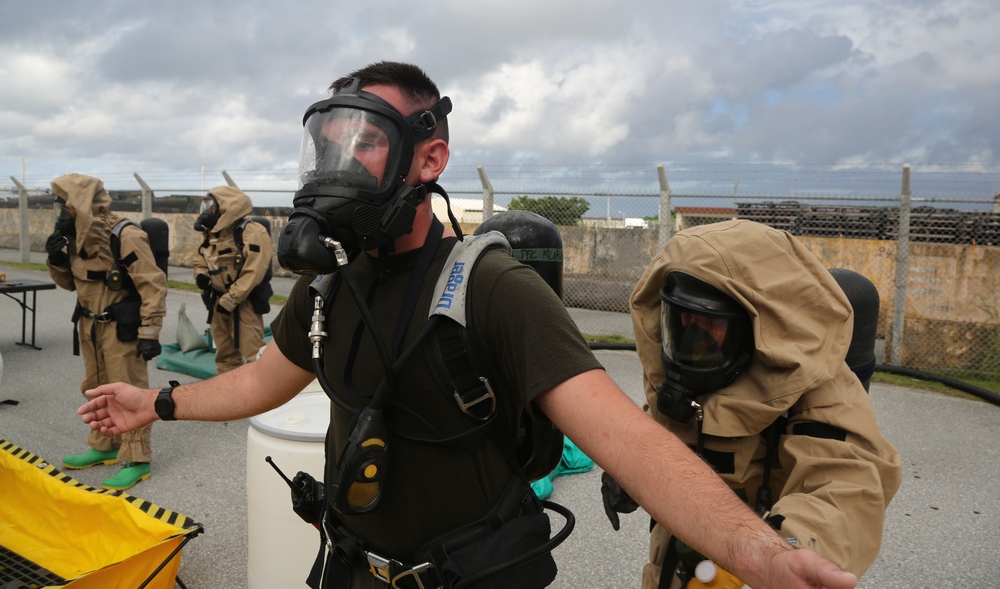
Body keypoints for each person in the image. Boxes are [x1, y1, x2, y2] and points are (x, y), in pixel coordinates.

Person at [79, 61, 858, 589]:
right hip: (350, 566)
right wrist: (157, 404)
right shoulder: (332, 285)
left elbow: (627, 438)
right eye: (330, 144)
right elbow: (260, 379)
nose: (338, 164)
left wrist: (754, 546)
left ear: (429, 158)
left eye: (367, 142)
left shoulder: (492, 288)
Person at [612, 219, 902, 588]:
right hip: (677, 548)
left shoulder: (817, 389)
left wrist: (780, 553)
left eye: (708, 321)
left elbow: (844, 488)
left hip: (759, 560)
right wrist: (627, 471)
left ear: (758, 327)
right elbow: (659, 423)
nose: (691, 334)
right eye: (681, 317)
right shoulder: (682, 378)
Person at [47, 173, 167, 490]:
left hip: (121, 329)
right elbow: (72, 283)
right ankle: (105, 446)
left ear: (81, 205)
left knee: (128, 391)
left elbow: (153, 285)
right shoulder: (76, 237)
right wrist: (56, 260)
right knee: (95, 387)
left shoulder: (124, 235)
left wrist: (149, 332)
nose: (60, 212)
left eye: (64, 205)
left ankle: (138, 459)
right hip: (89, 326)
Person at [192, 186, 274, 374]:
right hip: (218, 302)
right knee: (225, 356)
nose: (207, 211)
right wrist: (201, 274)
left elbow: (255, 270)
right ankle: (227, 396)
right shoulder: (213, 234)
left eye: (212, 206)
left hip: (243, 303)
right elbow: (200, 257)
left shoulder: (252, 232)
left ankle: (260, 400)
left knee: (254, 356)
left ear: (226, 207)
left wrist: (231, 299)